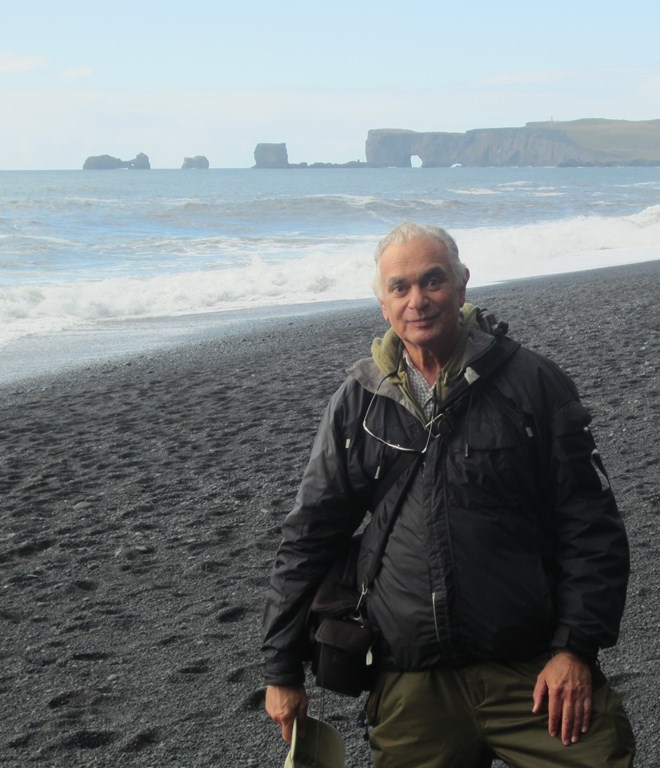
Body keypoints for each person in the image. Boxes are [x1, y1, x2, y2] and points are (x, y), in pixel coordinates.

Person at [262, 222, 635, 767]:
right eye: (400, 287)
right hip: (412, 682)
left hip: (533, 670)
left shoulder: (530, 382)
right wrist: (281, 670)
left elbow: (590, 524)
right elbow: (309, 536)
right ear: (382, 303)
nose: (418, 300)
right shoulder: (359, 402)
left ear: (462, 284)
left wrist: (575, 649)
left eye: (432, 281)